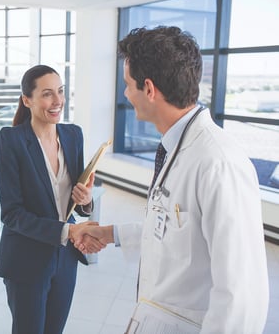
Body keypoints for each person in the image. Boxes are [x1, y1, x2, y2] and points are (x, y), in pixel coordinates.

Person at [73, 26, 269, 333]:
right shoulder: (176, 147)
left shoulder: (218, 162)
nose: (125, 94)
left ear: (149, 89)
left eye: (128, 85)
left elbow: (242, 295)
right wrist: (111, 233)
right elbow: (177, 232)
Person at [0, 64, 103, 334]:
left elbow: (77, 199)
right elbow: (11, 213)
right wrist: (68, 230)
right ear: (26, 100)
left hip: (65, 257)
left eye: (61, 91)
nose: (58, 101)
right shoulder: (12, 140)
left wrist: (86, 199)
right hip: (26, 258)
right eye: (47, 94)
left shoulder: (73, 134)